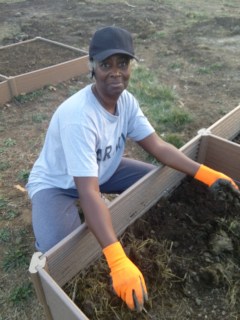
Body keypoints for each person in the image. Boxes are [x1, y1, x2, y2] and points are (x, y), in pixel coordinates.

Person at [26, 26, 237, 312]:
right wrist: (118, 260)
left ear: (131, 67)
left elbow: (159, 147)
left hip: (103, 170)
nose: (116, 72)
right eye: (106, 64)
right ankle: (51, 215)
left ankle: (90, 214)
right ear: (92, 68)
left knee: (157, 185)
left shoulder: (126, 102)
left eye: (122, 64)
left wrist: (206, 173)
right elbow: (88, 192)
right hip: (59, 183)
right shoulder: (79, 117)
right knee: (61, 252)